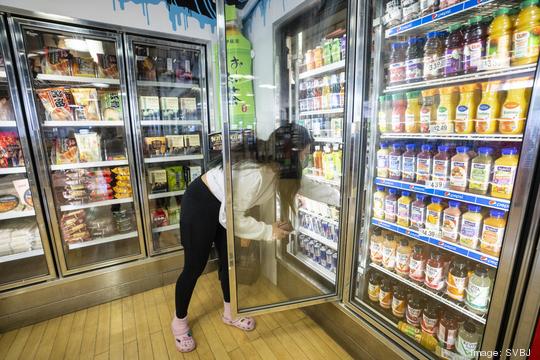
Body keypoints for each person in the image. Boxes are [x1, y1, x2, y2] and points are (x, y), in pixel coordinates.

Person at [171, 124, 313, 352]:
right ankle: (179, 322)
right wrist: (268, 231)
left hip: (225, 206)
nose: (307, 159)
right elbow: (232, 218)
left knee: (229, 262)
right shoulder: (257, 173)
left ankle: (230, 312)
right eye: (305, 154)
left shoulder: (275, 166)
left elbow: (304, 185)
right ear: (292, 154)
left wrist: (346, 194)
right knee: (194, 266)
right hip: (201, 202)